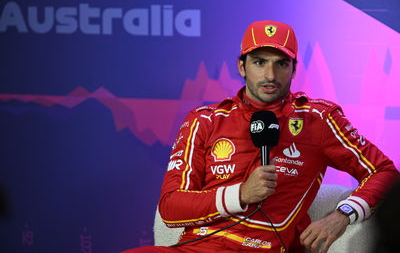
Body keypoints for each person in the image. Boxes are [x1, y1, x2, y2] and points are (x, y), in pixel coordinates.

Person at [122, 20, 399, 252]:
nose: (270, 74)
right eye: (259, 62)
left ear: (293, 69)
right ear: (242, 67)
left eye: (281, 64)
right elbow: (171, 208)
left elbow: (384, 171)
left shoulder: (318, 119)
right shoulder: (204, 120)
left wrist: (342, 216)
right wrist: (240, 194)